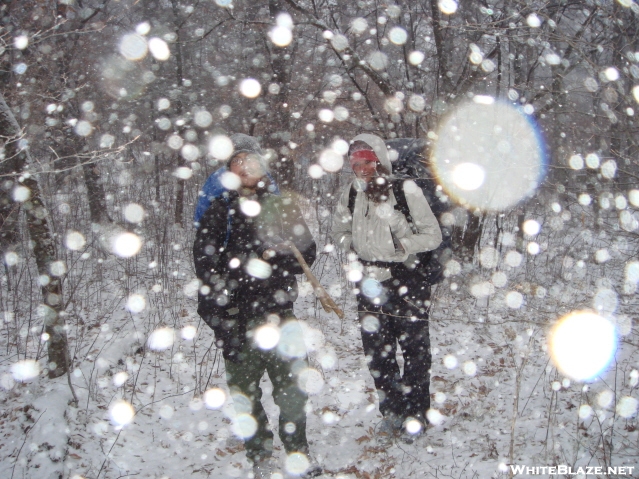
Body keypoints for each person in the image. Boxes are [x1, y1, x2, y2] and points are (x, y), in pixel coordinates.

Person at [193, 134, 321, 478]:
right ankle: (260, 455)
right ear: (229, 170)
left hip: (280, 315)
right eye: (238, 162)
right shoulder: (219, 210)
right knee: (245, 398)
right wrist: (219, 316)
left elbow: (307, 255)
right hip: (235, 319)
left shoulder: (281, 206)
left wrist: (274, 258)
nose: (246, 166)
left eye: (251, 159)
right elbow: (205, 265)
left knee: (292, 390)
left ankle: (299, 453)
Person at [331, 133, 442, 445]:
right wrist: (354, 244)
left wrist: (400, 245)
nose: (360, 166)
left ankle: (416, 415)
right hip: (367, 282)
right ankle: (391, 412)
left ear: (378, 159)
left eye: (366, 159)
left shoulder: (406, 190)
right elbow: (338, 230)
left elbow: (432, 236)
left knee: (415, 352)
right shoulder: (352, 191)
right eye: (354, 160)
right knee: (377, 354)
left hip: (407, 280)